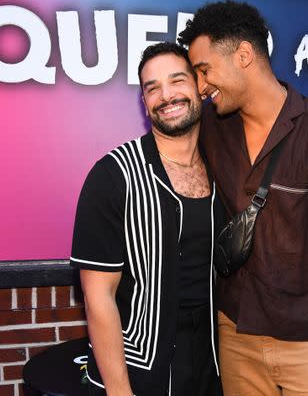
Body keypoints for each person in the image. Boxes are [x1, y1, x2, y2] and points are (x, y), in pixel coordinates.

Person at [178, 0, 308, 395]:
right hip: (236, 335)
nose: (201, 87)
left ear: (243, 55)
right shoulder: (210, 129)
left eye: (205, 70)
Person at [70, 42, 224, 396]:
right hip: (142, 372)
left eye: (177, 81)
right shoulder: (113, 176)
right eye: (152, 88)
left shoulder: (222, 168)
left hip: (214, 364)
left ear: (200, 88)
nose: (166, 96)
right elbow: (98, 299)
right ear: (144, 102)